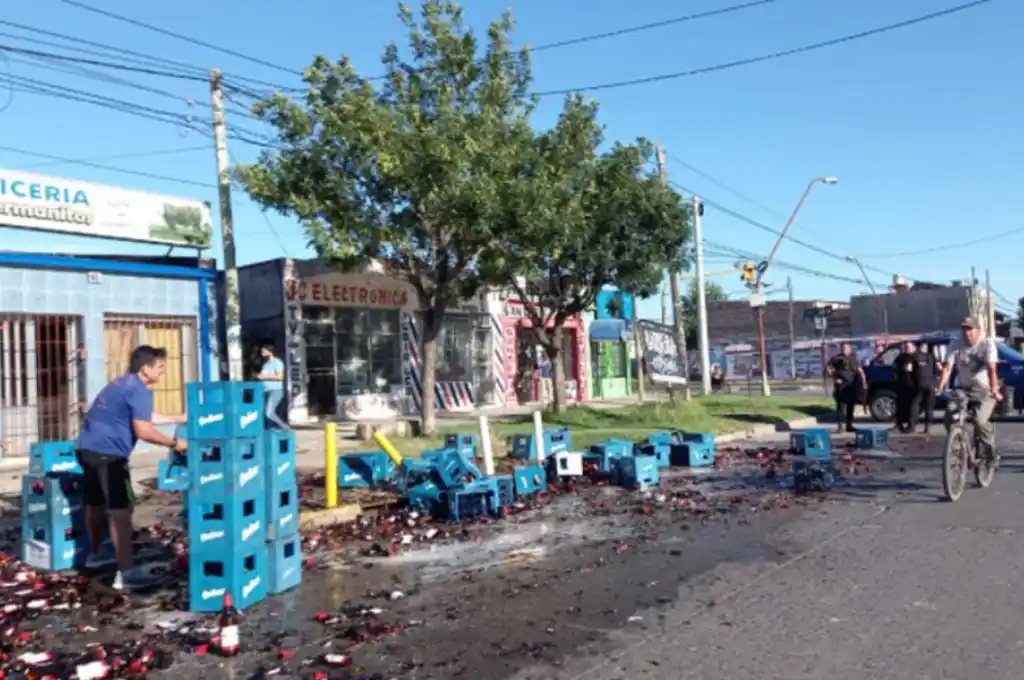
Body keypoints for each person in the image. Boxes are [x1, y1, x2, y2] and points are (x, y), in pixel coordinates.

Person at [74, 345, 187, 591]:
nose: (162, 372)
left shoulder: (122, 384)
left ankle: (95, 554)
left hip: (86, 449)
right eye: (160, 367)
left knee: (94, 503)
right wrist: (175, 443)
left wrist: (182, 418)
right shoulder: (140, 390)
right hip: (110, 455)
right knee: (121, 512)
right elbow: (144, 430)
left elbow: (145, 416)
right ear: (146, 369)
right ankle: (126, 574)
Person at [936, 317, 1001, 462]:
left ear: (978, 331)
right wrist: (940, 387)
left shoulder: (987, 344)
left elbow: (991, 369)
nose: (967, 334)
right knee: (949, 416)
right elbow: (947, 368)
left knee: (979, 421)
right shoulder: (955, 344)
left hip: (984, 390)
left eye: (970, 330)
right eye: (964, 330)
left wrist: (994, 390)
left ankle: (990, 451)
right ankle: (958, 447)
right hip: (962, 389)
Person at [826, 343, 866, 433]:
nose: (845, 349)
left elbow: (860, 370)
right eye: (843, 348)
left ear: (850, 349)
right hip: (841, 385)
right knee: (841, 405)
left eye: (847, 348)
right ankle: (840, 427)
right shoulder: (837, 358)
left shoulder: (853, 358)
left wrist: (863, 380)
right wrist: (834, 378)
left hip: (852, 385)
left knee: (851, 406)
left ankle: (849, 425)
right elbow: (828, 368)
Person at [257, 344, 289, 430]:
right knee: (264, 412)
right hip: (265, 391)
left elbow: (280, 377)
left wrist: (265, 377)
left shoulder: (277, 362)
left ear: (270, 352)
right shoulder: (266, 364)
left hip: (276, 391)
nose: (262, 353)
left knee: (269, 413)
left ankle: (284, 427)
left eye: (263, 351)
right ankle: (270, 429)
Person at [911, 341, 939, 434]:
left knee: (916, 405)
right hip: (930, 384)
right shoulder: (932, 357)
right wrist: (936, 384)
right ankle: (927, 427)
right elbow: (937, 370)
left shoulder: (914, 357)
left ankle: (913, 425)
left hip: (919, 385)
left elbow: (910, 370)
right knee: (929, 408)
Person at [893, 341, 918, 433]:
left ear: (914, 348)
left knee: (912, 406)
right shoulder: (900, 358)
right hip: (901, 385)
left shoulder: (916, 357)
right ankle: (899, 424)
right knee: (900, 406)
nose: (907, 348)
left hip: (913, 385)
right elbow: (894, 368)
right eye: (906, 347)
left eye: (909, 347)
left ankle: (911, 425)